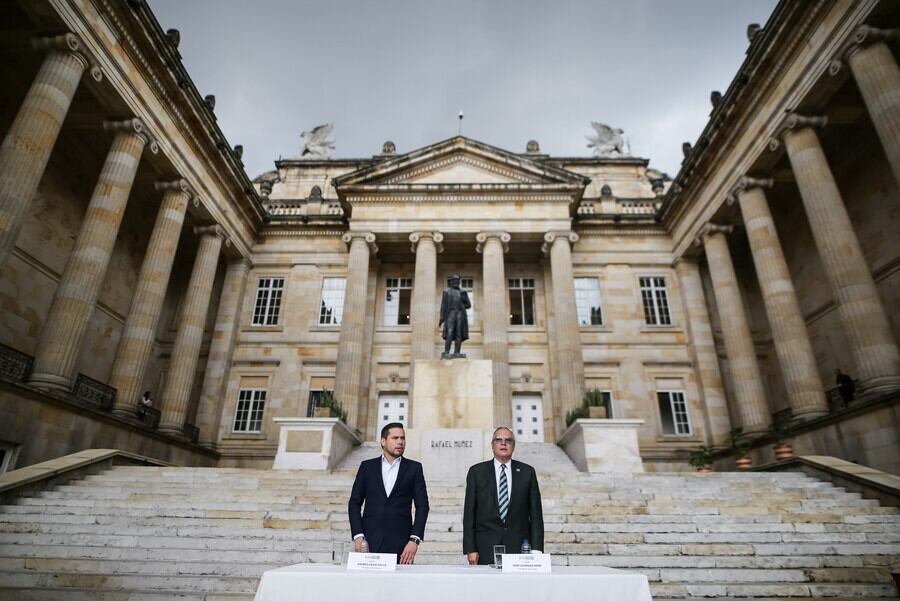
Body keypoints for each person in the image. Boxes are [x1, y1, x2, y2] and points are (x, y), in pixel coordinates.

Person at [348, 422, 429, 564]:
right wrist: (358, 535)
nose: (400, 442)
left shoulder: (414, 468)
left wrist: (414, 540)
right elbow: (354, 503)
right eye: (395, 438)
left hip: (402, 546)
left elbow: (422, 506)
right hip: (369, 543)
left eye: (403, 438)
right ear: (383, 441)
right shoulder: (367, 467)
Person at [463, 426, 544, 565]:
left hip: (519, 548)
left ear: (513, 445)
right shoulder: (476, 472)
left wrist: (536, 550)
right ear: (492, 445)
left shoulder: (527, 472)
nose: (503, 443)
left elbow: (536, 516)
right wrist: (470, 549)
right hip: (485, 548)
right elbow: (469, 514)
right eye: (498, 439)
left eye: (508, 440)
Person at [439, 274, 471, 358]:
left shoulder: (462, 292)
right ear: (451, 282)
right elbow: (443, 305)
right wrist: (442, 317)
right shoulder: (446, 291)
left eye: (457, 281)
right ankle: (446, 352)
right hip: (451, 313)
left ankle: (457, 352)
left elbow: (468, 305)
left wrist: (463, 301)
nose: (456, 282)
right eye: (454, 280)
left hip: (460, 313)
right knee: (450, 332)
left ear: (459, 282)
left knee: (459, 333)